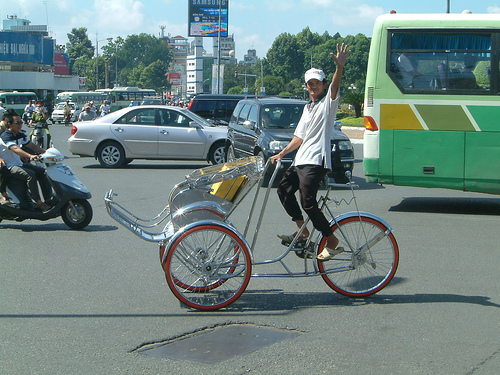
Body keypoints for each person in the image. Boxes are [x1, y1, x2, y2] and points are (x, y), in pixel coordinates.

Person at [270, 43, 351, 262]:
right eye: (310, 84)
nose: (313, 87)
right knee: (284, 191)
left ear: (323, 85)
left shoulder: (328, 104)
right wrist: (282, 154)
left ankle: (331, 240)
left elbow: (335, 87)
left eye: (317, 83)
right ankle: (303, 231)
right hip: (300, 160)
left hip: (315, 160)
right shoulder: (307, 107)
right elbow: (299, 136)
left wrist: (339, 68)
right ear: (306, 86)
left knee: (308, 202)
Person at [0, 112, 52, 211]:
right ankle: (38, 202)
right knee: (30, 175)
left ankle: (48, 199)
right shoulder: (6, 136)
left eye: (21, 122)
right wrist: (30, 155)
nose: (20, 125)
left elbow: (31, 145)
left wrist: (47, 152)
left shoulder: (19, 134)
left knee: (42, 172)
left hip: (19, 164)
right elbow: (15, 148)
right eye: (17, 123)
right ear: (9, 124)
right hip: (9, 166)